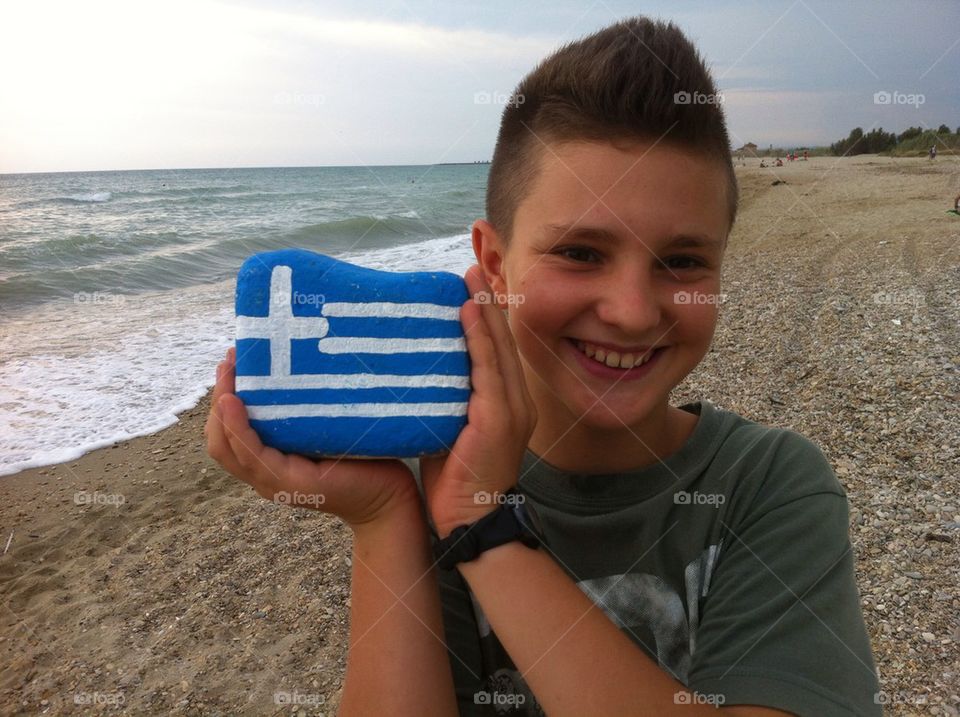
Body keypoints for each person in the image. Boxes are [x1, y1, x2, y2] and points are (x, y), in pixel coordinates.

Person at [206, 16, 881, 717]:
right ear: (496, 266)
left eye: (680, 261)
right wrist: (383, 520)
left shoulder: (768, 486)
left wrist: (484, 526)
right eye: (581, 253)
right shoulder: (432, 489)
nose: (629, 310)